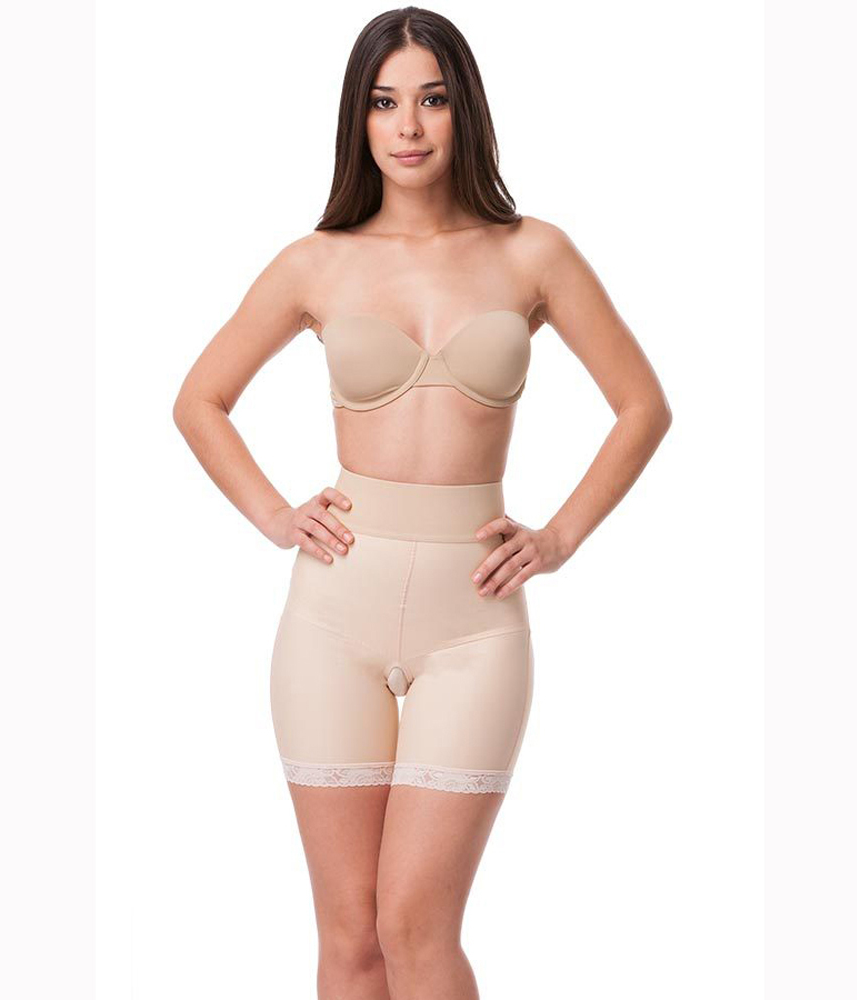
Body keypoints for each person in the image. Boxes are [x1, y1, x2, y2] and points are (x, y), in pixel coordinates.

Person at [173, 7, 671, 998]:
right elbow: (199, 400)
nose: (408, 126)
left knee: (415, 926)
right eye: (384, 102)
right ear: (358, 120)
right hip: (332, 615)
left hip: (474, 621)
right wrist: (275, 515)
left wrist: (559, 538)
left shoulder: (532, 253)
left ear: (463, 110)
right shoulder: (316, 262)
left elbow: (642, 406)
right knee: (351, 939)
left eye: (432, 99)